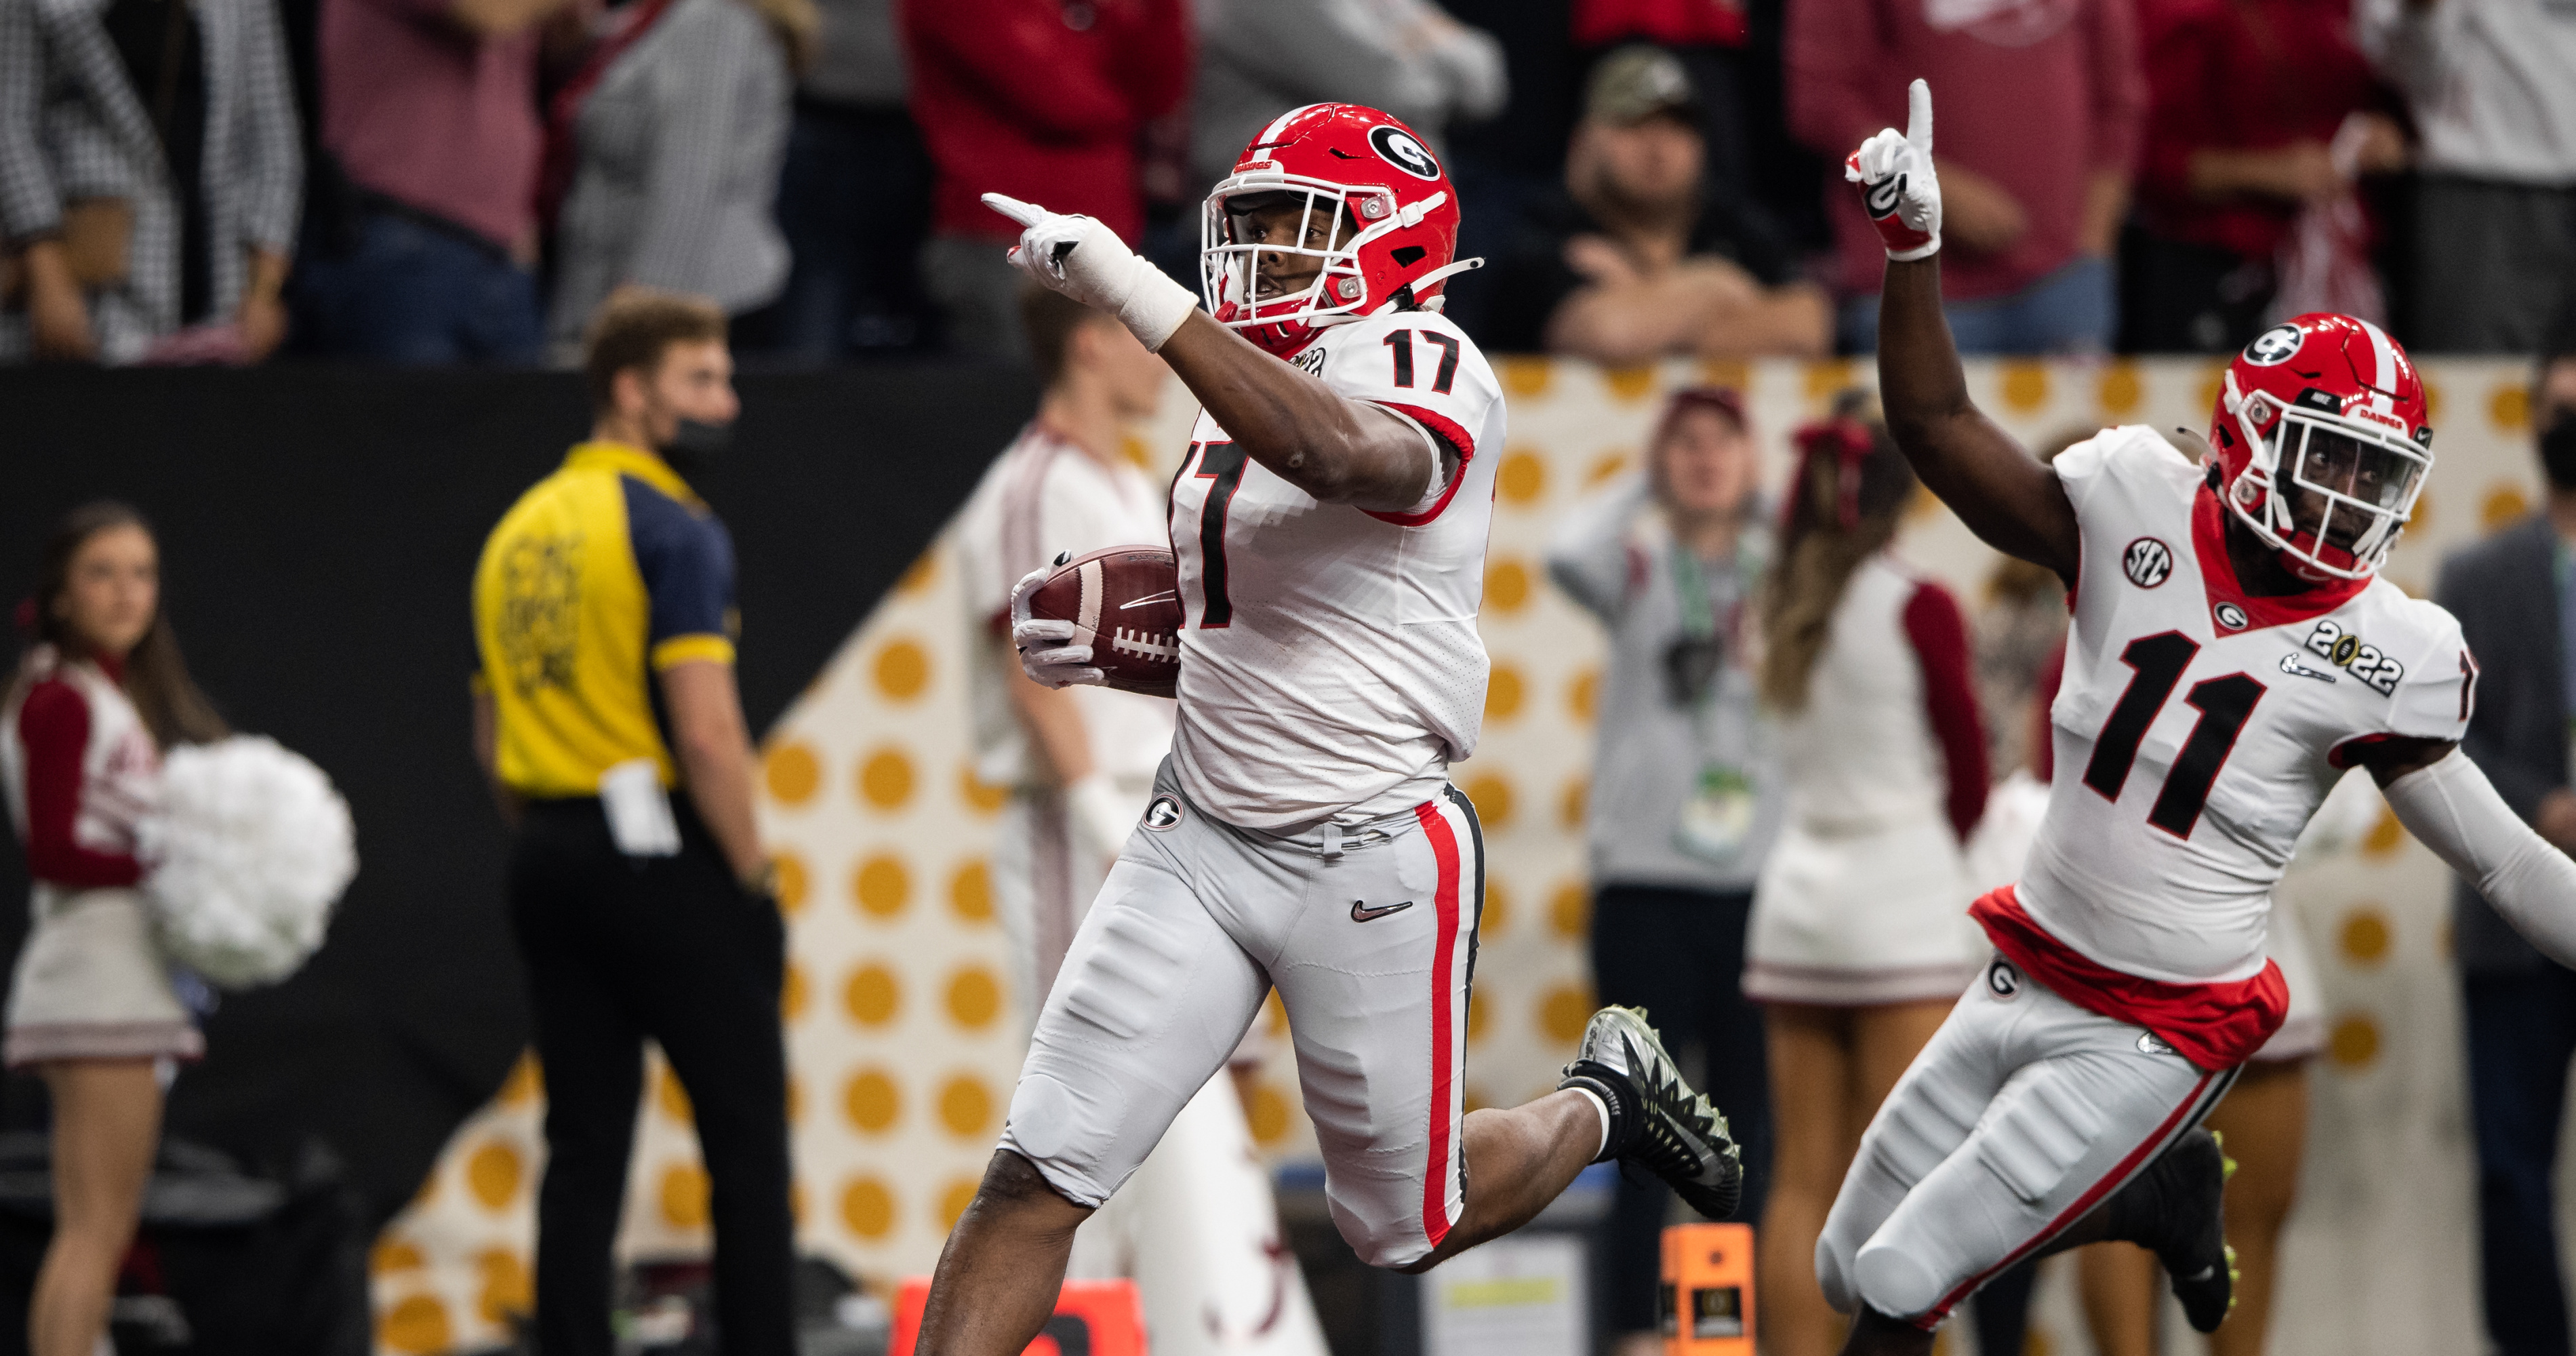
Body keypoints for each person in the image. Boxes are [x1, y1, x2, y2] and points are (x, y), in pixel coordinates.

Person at [917, 103, 1747, 1355]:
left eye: (1288, 227)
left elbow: (1344, 458)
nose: (1255, 254)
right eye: (1242, 224)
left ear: (1398, 241)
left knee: (1406, 1224)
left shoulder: (1425, 357)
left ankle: (1605, 1101)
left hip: (1368, 848)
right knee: (1038, 1175)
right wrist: (1137, 627)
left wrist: (1142, 297)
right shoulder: (1238, 382)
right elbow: (1274, 604)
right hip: (1197, 837)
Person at [1812, 79, 2576, 1355]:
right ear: (2247, 432)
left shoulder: (2391, 650)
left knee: (1901, 1284)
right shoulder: (2132, 500)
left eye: (2372, 476)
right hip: (2030, 960)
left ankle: (2141, 1163)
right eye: (2326, 455)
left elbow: (2500, 854)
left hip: (2169, 1022)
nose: (2345, 498)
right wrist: (1914, 252)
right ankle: (2151, 1192)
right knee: (1844, 1266)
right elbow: (1938, 425)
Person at [951, 283, 1328, 1356]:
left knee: (1200, 1094)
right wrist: (1090, 817)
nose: (1155, 354)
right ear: (1085, 342)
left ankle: (1184, 1321)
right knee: (1096, 1102)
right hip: (1088, 824)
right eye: (1133, 332)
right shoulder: (1036, 484)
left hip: (1173, 812)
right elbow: (1031, 670)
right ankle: (1124, 1327)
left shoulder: (1126, 478)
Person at [469, 290, 791, 1356]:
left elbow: (490, 736)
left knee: (584, 1142)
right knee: (745, 1137)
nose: (724, 402)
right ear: (629, 388)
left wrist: (551, 831)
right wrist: (752, 878)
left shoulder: (515, 530)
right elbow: (707, 734)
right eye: (700, 380)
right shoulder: (673, 529)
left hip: (547, 854)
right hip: (663, 858)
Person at [1744, 406, 1989, 1356]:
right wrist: (1951, 846)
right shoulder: (1919, 601)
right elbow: (1968, 763)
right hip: (1903, 903)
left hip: (1798, 899)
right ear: (1911, 490)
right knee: (1913, 1181)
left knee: (1802, 1172)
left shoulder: (1779, 598)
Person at [1545, 385, 1779, 1354]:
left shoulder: (1779, 575)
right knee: (1639, 1118)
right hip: (1643, 884)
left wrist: (1763, 499)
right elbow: (1564, 553)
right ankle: (1640, 1330)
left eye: (1725, 443)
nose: (1704, 459)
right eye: (1683, 444)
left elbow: (1833, 543)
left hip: (1761, 888)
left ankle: (1729, 1328)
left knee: (1750, 1126)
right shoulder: (1638, 564)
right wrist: (1645, 482)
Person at [2, 503, 228, 1356]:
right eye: (103, 572)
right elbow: (58, 851)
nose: (127, 592)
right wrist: (182, 874)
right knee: (94, 1228)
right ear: (60, 592)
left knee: (99, 1222)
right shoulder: (60, 696)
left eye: (143, 572)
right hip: (95, 981)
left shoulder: (100, 692)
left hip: (114, 977)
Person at [2430, 343, 2576, 1355]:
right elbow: (2442, 733)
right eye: (2561, 404)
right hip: (2511, 920)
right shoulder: (2476, 573)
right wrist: (2544, 808)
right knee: (2508, 1170)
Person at [1788, 0, 2144, 354]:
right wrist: (1932, 187)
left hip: (2064, 284)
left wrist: (2093, 252)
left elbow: (2119, 102)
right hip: (1917, 287)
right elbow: (1823, 100)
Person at [0, 0, 300, 364]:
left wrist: (262, 292)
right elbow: (9, 126)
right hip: (88, 289)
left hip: (218, 295)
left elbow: (274, 143)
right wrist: (48, 280)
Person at [1478, 47, 1828, 359]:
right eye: (1634, 124)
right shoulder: (1546, 228)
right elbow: (1607, 336)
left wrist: (1641, 296)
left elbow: (1808, 328)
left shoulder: (1733, 222)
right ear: (1583, 141)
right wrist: (1714, 284)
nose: (1658, 148)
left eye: (1678, 126)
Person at [900, 0, 1189, 360]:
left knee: (1111, 408)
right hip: (1005, 243)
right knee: (1016, 401)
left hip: (1111, 240)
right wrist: (1130, 116)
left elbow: (1160, 90)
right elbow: (1062, 100)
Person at [2120, 0, 2407, 353]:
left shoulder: (2337, 14)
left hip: (2341, 265)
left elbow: (2385, 102)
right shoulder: (2184, 15)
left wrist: (2386, 135)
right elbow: (2149, 161)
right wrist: (2265, 172)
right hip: (2220, 266)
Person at [295, 0, 565, 364]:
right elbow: (489, 14)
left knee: (524, 419)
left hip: (501, 253)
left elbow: (562, 44)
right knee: (404, 418)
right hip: (402, 247)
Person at [540, 0, 812, 359]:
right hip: (626, 291)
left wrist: (648, 312)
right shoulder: (653, 17)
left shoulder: (711, 22)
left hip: (676, 305)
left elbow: (690, 178)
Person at [2356, 0, 2576, 353]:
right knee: (2474, 378)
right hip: (2480, 186)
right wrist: (2419, 14)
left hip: (2535, 183)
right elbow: (2395, 57)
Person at [741, 0, 931, 357]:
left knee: (917, 303)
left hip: (921, 127)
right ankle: (798, 407)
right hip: (817, 113)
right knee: (816, 294)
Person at [1188, 0, 1507, 201]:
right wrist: (1423, 42)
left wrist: (1407, 55)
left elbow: (1484, 85)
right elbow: (1393, 91)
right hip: (1272, 222)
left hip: (1383, 217)